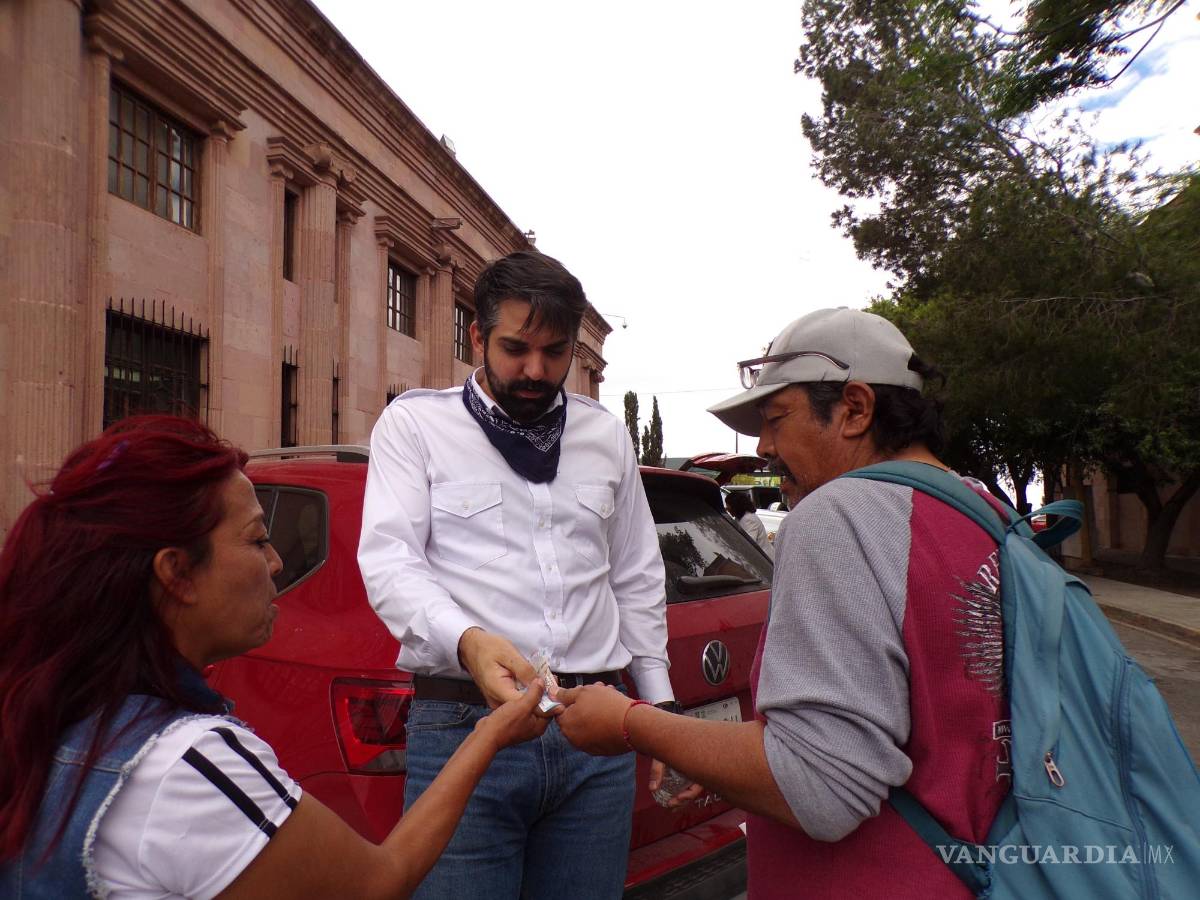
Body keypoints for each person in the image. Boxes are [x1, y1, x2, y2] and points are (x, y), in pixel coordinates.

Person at [557, 307, 1012, 899]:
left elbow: (819, 787)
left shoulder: (834, 514)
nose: (764, 446)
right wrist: (717, 757)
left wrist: (627, 722)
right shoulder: (984, 511)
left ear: (855, 408)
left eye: (776, 419)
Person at [0, 416, 549, 900]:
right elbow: (378, 882)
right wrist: (488, 737)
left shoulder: (50, 713)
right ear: (177, 573)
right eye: (257, 539)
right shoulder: (187, 767)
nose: (278, 562)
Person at [357, 250, 687, 900]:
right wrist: (469, 642)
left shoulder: (604, 436)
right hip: (464, 727)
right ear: (477, 336)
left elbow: (636, 574)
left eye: (554, 352)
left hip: (595, 733)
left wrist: (661, 708)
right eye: (516, 348)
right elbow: (391, 562)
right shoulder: (416, 425)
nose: (536, 370)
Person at [725, 490, 774, 559]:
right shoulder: (740, 518)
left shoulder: (748, 519)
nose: (726, 508)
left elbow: (747, 545)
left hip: (763, 560)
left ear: (735, 506)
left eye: (728, 505)